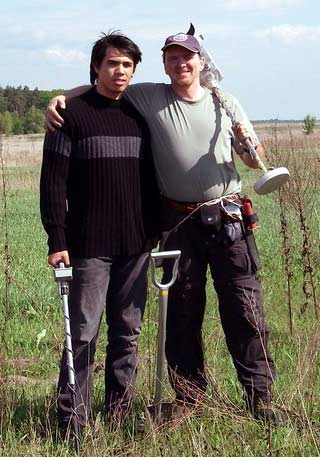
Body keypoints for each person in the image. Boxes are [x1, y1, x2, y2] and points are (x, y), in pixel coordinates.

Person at [45, 31, 284, 424]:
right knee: (182, 318)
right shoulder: (149, 97)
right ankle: (190, 398)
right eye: (172, 58)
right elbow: (103, 86)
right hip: (178, 224)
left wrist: (249, 147)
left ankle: (261, 399)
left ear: (201, 62)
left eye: (187, 57)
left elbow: (252, 157)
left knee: (244, 311)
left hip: (228, 222)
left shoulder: (227, 103)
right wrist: (60, 98)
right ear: (163, 65)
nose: (181, 64)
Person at [40, 32, 159, 434]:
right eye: (113, 63)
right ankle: (72, 420)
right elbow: (52, 183)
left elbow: (150, 180)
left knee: (127, 333)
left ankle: (121, 414)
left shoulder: (140, 116)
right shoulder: (68, 115)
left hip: (136, 245)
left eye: (127, 65)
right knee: (83, 334)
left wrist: (154, 230)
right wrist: (57, 239)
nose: (120, 71)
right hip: (88, 246)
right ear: (96, 67)